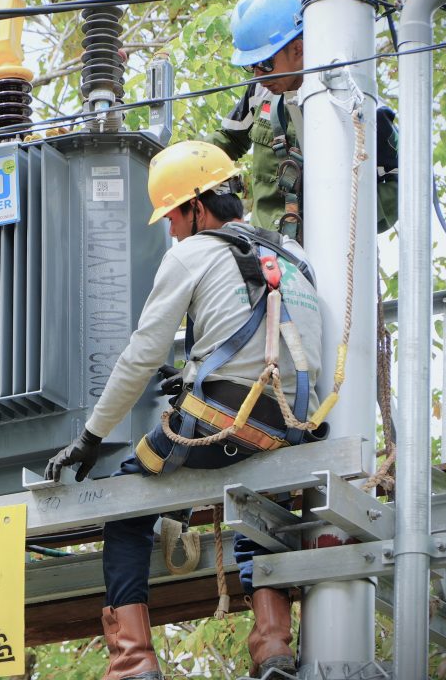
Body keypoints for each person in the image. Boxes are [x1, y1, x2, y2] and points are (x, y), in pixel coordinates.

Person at [45, 141, 326, 679]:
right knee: (258, 513)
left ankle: (132, 662)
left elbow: (140, 356)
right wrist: (200, 370)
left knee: (127, 508)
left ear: (197, 206)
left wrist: (91, 436)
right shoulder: (294, 255)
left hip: (221, 421)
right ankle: (273, 647)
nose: (170, 231)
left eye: (173, 217)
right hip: (289, 427)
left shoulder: (192, 253)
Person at [205, 0, 398, 238]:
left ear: (298, 49)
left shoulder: (356, 106)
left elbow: (400, 185)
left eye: (265, 64)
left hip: (329, 258)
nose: (257, 76)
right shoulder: (260, 93)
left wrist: (340, 222)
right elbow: (226, 141)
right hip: (268, 254)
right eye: (251, 66)